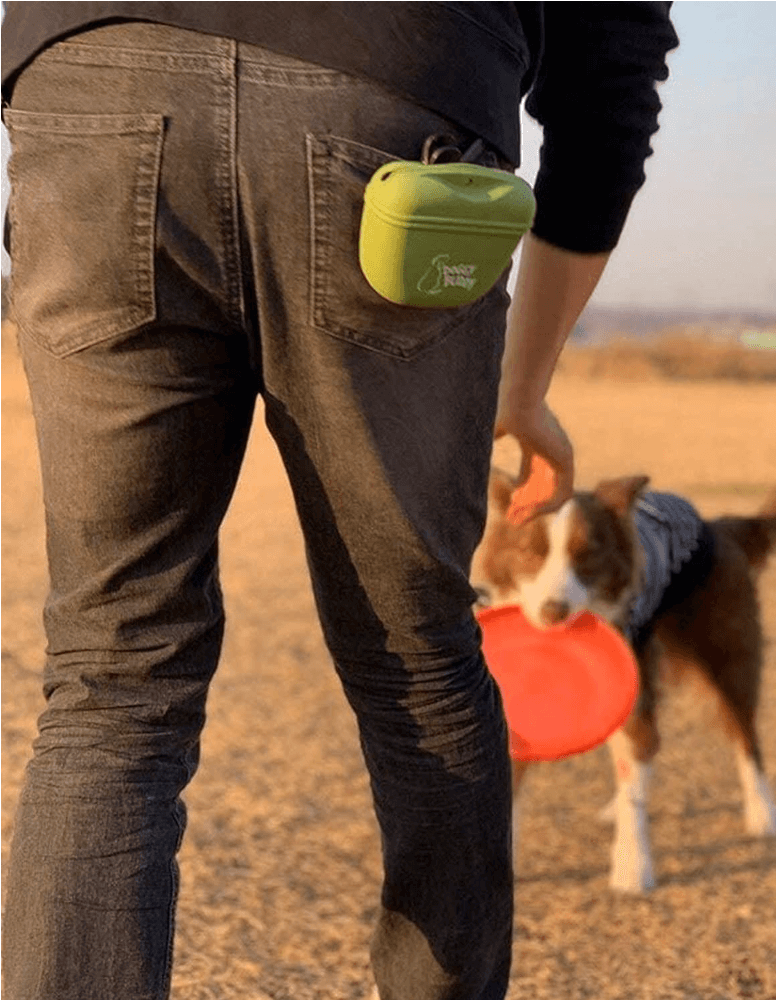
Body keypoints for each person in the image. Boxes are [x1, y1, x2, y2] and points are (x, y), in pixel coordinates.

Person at [0, 4, 678, 998]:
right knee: (420, 665)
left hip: (95, 80)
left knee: (113, 678)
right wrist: (524, 385)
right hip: (399, 104)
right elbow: (611, 69)